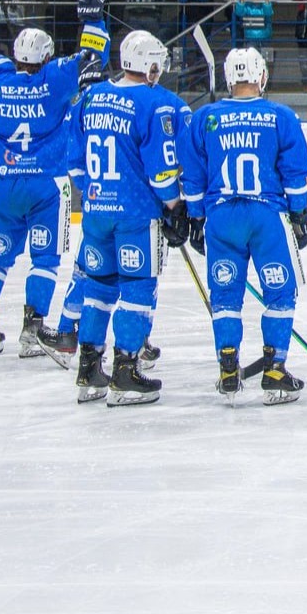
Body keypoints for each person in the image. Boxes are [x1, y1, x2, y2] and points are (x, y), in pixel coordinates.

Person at [0, 0, 109, 358]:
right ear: (44, 55)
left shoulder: (0, 76)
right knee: (45, 259)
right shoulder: (54, 78)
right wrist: (93, 17)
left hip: (6, 183)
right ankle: (33, 327)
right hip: (47, 186)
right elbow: (94, 58)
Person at [179, 47, 307, 403]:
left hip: (221, 218)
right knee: (280, 293)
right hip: (266, 217)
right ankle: (274, 369)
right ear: (261, 76)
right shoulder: (279, 116)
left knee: (225, 296)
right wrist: (300, 214)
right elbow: (295, 174)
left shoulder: (205, 117)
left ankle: (227, 369)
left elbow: (192, 177)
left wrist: (195, 217)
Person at [67, 29, 188, 406]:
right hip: (136, 216)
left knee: (99, 288)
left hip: (96, 213)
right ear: (150, 66)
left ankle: (89, 370)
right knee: (137, 290)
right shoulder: (154, 104)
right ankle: (125, 370)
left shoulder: (91, 96)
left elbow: (74, 162)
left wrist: (94, 195)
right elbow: (162, 172)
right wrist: (175, 208)